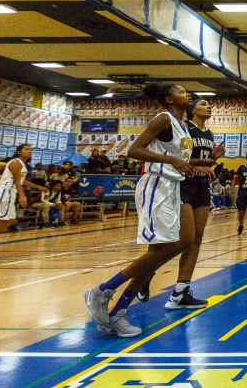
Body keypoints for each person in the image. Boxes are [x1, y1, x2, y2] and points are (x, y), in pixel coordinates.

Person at [82, 83, 194, 338]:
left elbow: (176, 158)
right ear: (168, 99)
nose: (187, 93)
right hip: (156, 186)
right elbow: (134, 151)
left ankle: (118, 312)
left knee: (174, 246)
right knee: (163, 250)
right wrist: (171, 160)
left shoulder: (183, 125)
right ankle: (103, 291)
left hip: (172, 187)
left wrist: (197, 163)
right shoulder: (163, 119)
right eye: (181, 91)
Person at [137, 98, 224, 309]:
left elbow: (203, 163)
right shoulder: (185, 128)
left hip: (201, 186)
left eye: (209, 104)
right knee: (174, 238)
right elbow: (178, 158)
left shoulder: (209, 134)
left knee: (196, 239)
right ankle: (145, 272)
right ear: (192, 109)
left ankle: (180, 292)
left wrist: (212, 158)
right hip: (181, 184)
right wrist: (199, 164)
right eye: (203, 104)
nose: (208, 107)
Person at [0, 144, 49, 259]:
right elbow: (17, 181)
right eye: (26, 149)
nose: (29, 151)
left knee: (10, 220)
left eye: (31, 149)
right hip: (4, 193)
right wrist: (22, 195)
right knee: (0, 222)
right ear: (19, 152)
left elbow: (22, 181)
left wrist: (38, 187)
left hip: (8, 193)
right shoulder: (15, 162)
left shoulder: (22, 164)